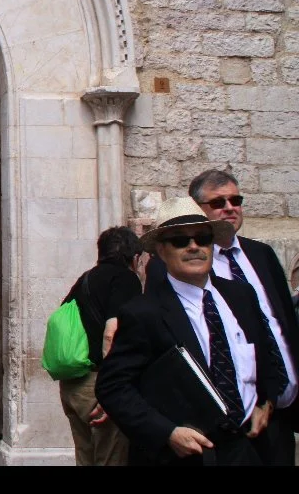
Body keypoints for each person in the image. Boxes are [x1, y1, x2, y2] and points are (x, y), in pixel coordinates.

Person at [95, 196, 277, 466]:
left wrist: (266, 401)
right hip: (186, 457)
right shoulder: (144, 312)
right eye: (180, 240)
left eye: (202, 238)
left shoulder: (240, 296)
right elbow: (113, 387)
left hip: (247, 449)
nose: (194, 247)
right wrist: (167, 433)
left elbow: (265, 352)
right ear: (161, 250)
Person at [189, 169, 299, 466]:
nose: (229, 207)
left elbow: (283, 323)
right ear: (198, 210)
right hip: (237, 419)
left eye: (235, 200)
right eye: (218, 202)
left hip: (283, 411)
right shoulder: (188, 263)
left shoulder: (260, 253)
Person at [57, 226, 145, 466]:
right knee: (110, 459)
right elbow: (111, 333)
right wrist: (112, 390)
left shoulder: (85, 279)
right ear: (135, 257)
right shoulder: (126, 279)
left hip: (74, 386)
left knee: (85, 458)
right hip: (99, 384)